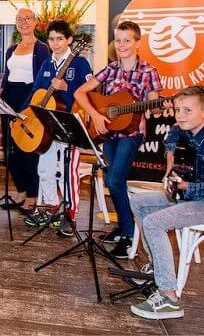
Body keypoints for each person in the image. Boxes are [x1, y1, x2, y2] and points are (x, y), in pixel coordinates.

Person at [129, 85, 204, 319]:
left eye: (187, 111)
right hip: (200, 198)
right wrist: (171, 160)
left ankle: (169, 297)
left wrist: (186, 187)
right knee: (140, 202)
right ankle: (158, 266)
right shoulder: (192, 129)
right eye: (177, 110)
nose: (180, 116)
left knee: (153, 222)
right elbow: (173, 130)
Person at [74, 20, 162, 258]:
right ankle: (124, 228)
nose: (122, 45)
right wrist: (95, 115)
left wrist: (157, 108)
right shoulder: (110, 69)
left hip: (132, 134)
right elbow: (79, 92)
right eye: (118, 40)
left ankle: (130, 234)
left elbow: (154, 105)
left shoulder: (148, 72)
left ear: (137, 43)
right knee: (114, 180)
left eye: (127, 40)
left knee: (114, 180)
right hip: (109, 132)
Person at [24, 20, 92, 237]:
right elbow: (36, 92)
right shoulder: (46, 64)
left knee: (67, 171)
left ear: (69, 40)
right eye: (51, 39)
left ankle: (70, 214)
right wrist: (22, 113)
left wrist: (67, 87)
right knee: (43, 167)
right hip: (46, 125)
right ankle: (51, 206)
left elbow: (89, 93)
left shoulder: (80, 64)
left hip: (69, 124)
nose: (55, 43)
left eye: (60, 39)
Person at [0, 8, 50, 211]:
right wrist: (0, 106)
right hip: (9, 100)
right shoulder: (12, 49)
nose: (23, 22)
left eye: (27, 18)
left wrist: (32, 107)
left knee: (27, 149)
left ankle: (32, 194)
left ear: (35, 22)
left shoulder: (42, 49)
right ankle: (20, 192)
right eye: (19, 19)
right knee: (10, 149)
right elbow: (6, 78)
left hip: (29, 101)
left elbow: (42, 81)